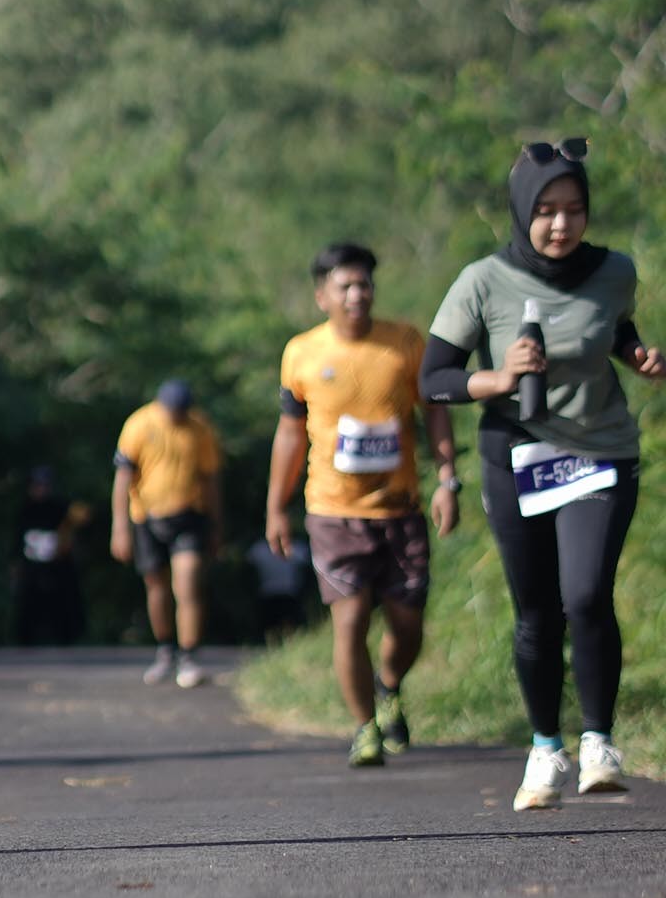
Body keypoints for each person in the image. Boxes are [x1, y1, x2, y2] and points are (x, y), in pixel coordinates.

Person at [420, 140, 664, 812]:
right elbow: (433, 378)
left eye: (574, 209)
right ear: (522, 209)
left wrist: (636, 354)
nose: (561, 224)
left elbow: (615, 326)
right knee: (536, 612)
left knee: (585, 595)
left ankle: (599, 742)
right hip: (518, 455)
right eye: (546, 211)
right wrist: (498, 378)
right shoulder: (483, 280)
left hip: (600, 452)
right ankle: (545, 746)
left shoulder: (615, 270)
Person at [265, 244, 460, 768]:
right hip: (332, 510)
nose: (357, 294)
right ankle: (364, 726)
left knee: (407, 624)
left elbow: (434, 412)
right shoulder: (301, 352)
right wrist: (276, 506)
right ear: (322, 296)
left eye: (364, 284)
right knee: (349, 620)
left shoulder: (405, 343)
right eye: (345, 286)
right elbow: (290, 434)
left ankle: (388, 684)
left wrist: (448, 479)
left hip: (400, 508)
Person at [110, 380, 222, 685]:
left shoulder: (200, 428)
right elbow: (123, 478)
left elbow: (211, 478)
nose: (177, 416)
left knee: (188, 584)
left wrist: (216, 525)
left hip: (189, 516)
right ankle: (165, 649)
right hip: (147, 518)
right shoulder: (139, 424)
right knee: (156, 585)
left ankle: (189, 655)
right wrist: (120, 527)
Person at [16, 466, 89, 647]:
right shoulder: (25, 510)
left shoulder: (60, 507)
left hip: (59, 565)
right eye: (37, 485)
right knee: (30, 605)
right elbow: (16, 540)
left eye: (44, 485)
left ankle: (67, 638)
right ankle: (27, 640)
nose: (40, 489)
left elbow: (82, 515)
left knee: (63, 602)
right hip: (32, 567)